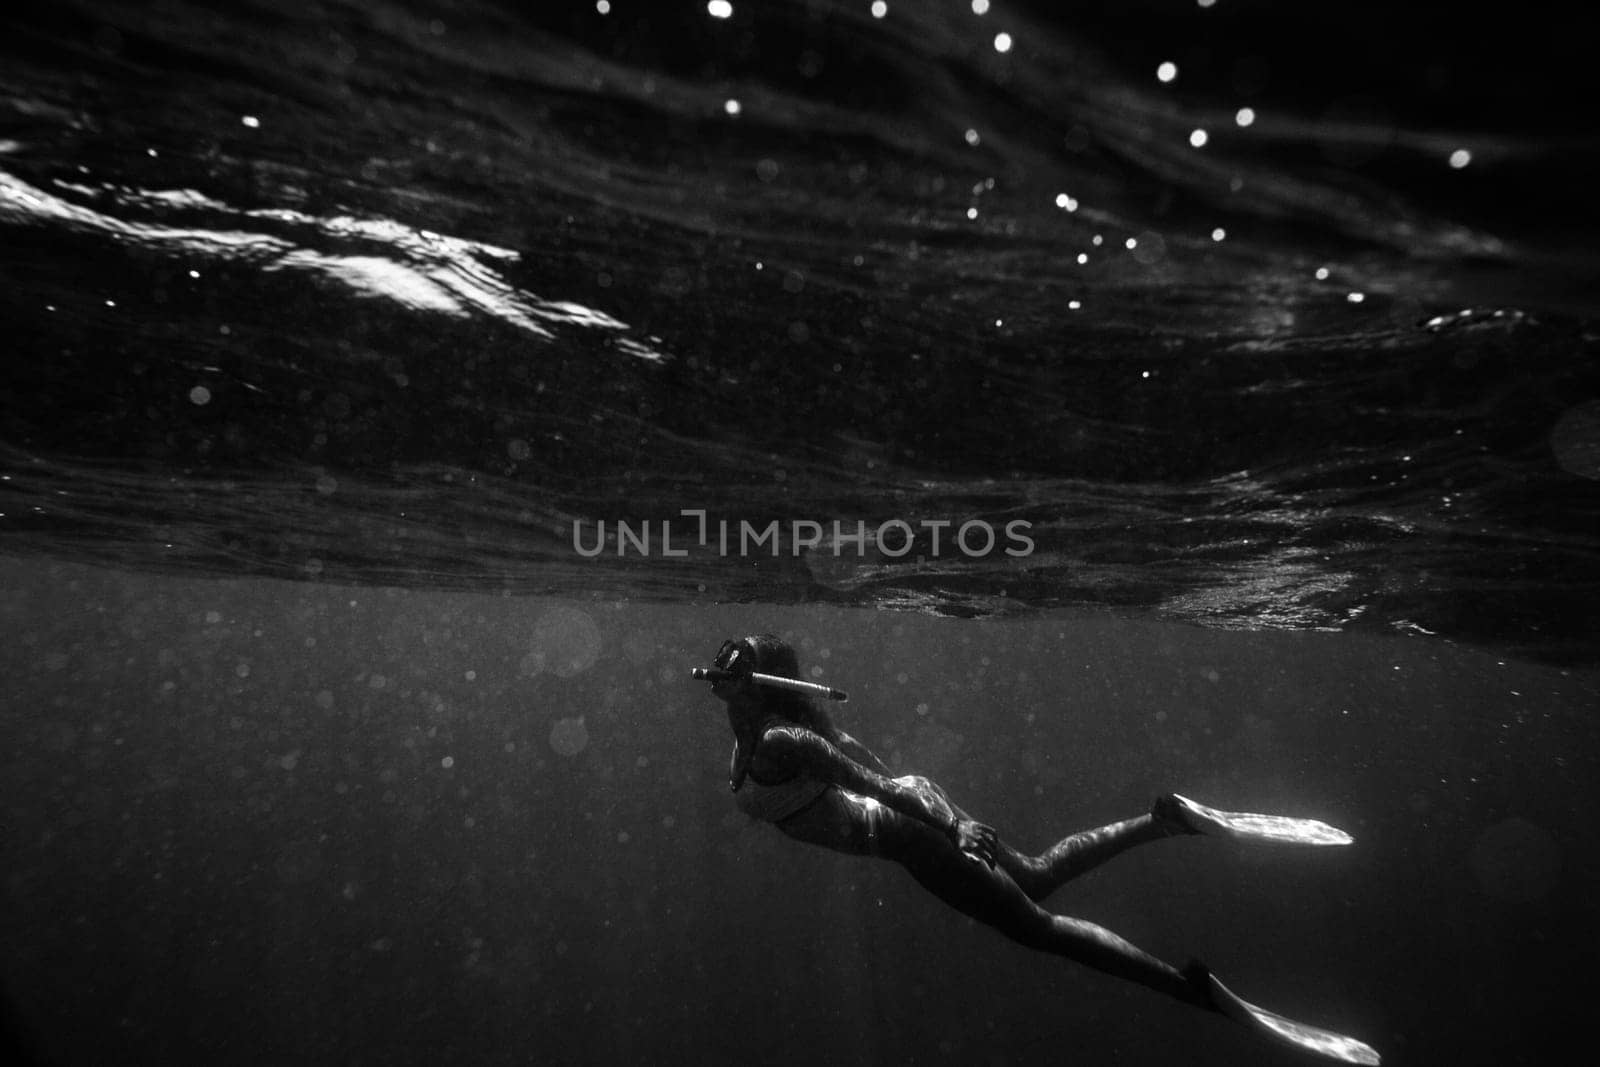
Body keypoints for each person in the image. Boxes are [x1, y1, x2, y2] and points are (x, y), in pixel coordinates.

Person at [697, 634, 1379, 1065]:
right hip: (914, 814)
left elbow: (872, 781)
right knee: (1040, 874)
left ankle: (1189, 988)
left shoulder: (782, 739)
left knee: (1038, 927)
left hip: (910, 832)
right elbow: (873, 763)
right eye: (722, 676)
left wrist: (949, 828)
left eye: (735, 674)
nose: (722, 683)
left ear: (760, 684)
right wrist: (934, 808)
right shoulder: (768, 726)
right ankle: (1163, 821)